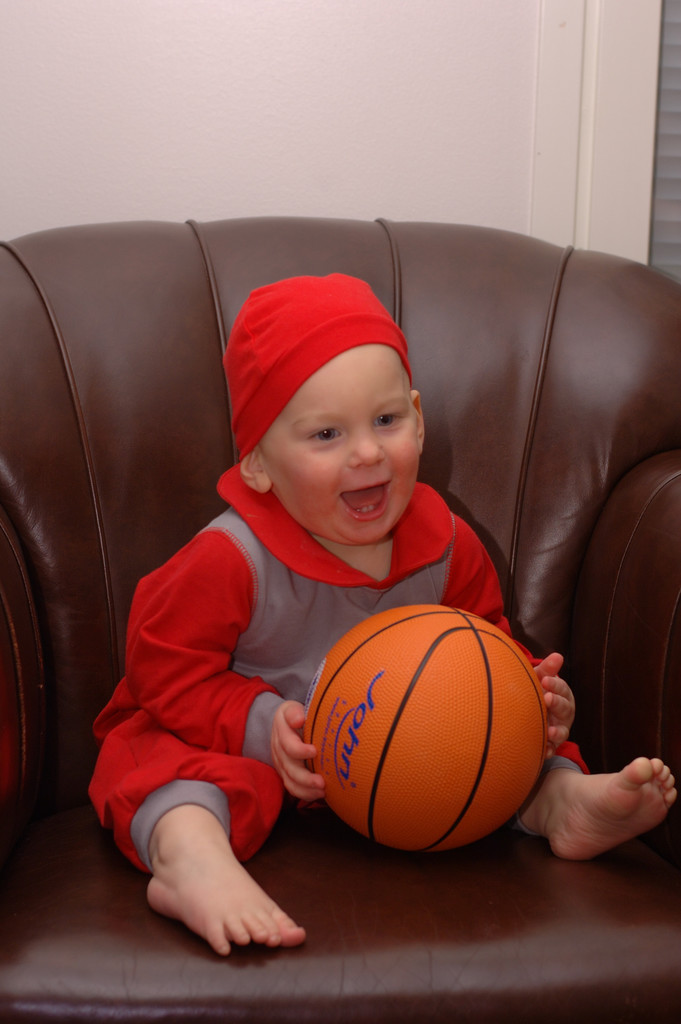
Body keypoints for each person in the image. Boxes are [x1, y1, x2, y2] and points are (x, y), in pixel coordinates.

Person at [89, 274, 677, 957]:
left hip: (392, 767)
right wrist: (255, 725)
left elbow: (485, 651)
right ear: (257, 465)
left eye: (386, 421)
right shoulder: (231, 558)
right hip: (249, 750)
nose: (367, 452)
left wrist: (532, 696)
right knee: (157, 761)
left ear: (418, 419)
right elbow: (161, 668)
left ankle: (559, 804)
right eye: (326, 433)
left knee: (489, 740)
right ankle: (191, 860)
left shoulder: (448, 545)